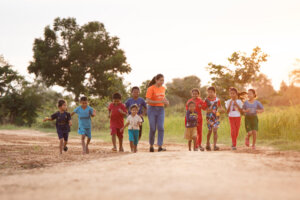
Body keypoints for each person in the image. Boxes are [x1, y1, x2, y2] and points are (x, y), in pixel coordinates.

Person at [146, 74, 169, 152]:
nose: (162, 82)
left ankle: (160, 146)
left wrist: (166, 101)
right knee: (152, 128)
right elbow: (148, 101)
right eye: (160, 80)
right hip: (151, 109)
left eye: (163, 80)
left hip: (161, 109)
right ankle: (151, 145)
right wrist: (160, 101)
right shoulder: (151, 88)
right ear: (156, 80)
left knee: (161, 128)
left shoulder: (163, 88)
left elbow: (162, 97)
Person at [203, 86, 224, 151]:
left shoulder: (217, 100)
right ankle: (207, 143)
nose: (210, 93)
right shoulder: (206, 100)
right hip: (209, 117)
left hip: (216, 116)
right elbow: (205, 109)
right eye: (209, 92)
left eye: (211, 92)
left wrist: (221, 109)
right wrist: (209, 110)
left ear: (214, 92)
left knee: (215, 130)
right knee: (209, 131)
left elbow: (219, 106)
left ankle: (215, 145)